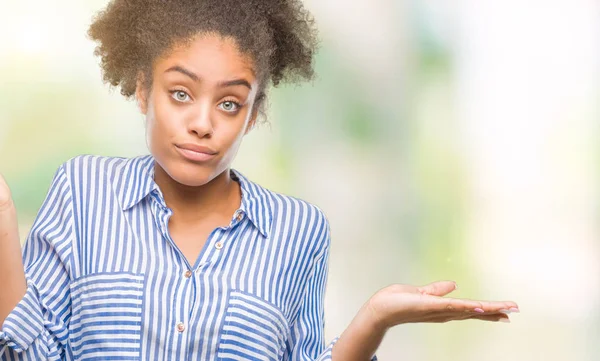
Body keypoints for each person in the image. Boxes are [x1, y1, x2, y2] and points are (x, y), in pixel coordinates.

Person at [0, 0, 519, 360]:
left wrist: (375, 318)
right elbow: (31, 354)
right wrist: (4, 225)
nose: (203, 122)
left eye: (229, 103)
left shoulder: (298, 231)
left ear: (252, 115)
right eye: (180, 93)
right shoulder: (83, 190)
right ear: (141, 89)